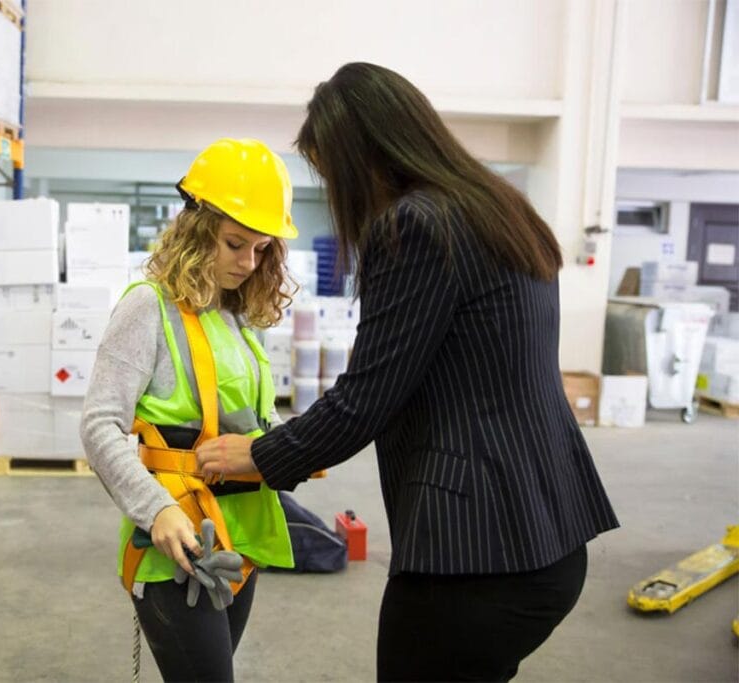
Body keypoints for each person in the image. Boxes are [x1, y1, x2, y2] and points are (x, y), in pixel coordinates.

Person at [196, 62, 620, 682]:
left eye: (329, 169)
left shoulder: (416, 226)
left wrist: (257, 456)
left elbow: (365, 401)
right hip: (548, 533)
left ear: (363, 154)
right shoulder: (500, 208)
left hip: (476, 551)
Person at [81, 138, 299, 682]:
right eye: (234, 244)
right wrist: (155, 511)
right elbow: (99, 425)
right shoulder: (146, 307)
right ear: (197, 229)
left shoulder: (234, 316)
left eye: (261, 249)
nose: (248, 263)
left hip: (241, 536)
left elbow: (247, 420)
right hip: (180, 545)